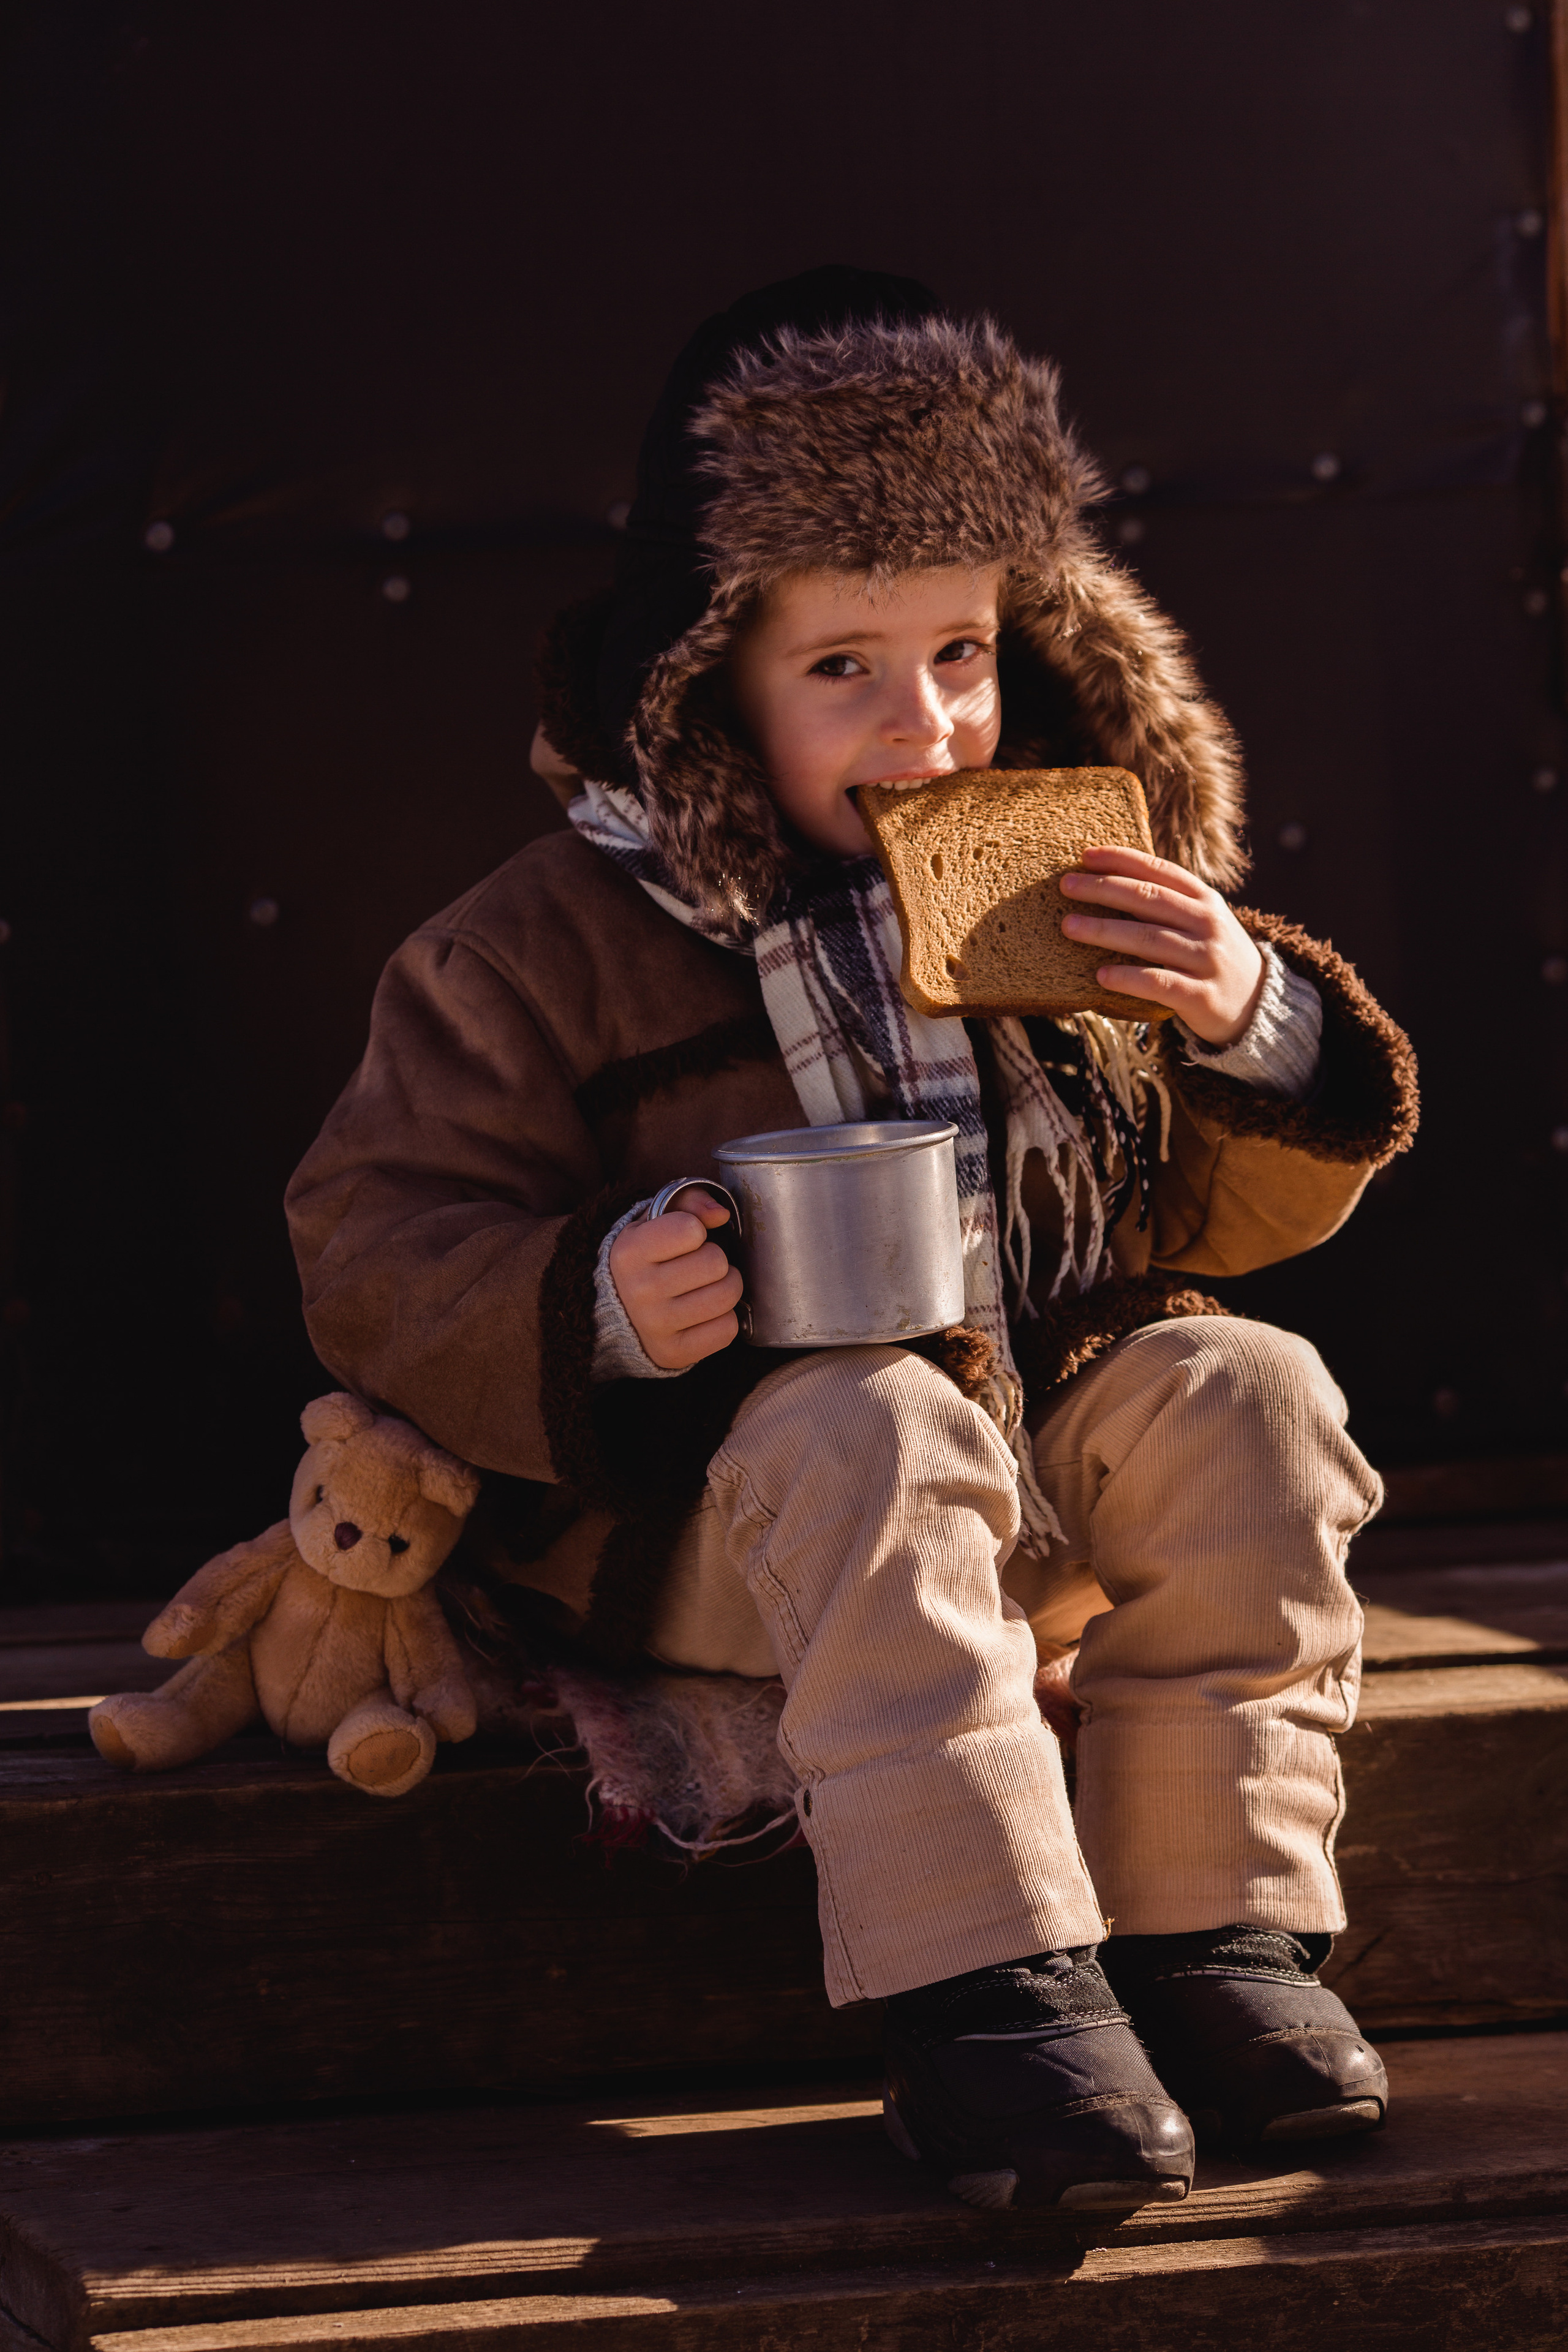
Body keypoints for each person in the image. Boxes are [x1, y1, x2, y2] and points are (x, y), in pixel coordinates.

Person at [286, 266, 1418, 2214]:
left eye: (967, 652)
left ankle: (1217, 1942)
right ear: (710, 673)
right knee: (867, 1424)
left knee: (1251, 1385)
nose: (930, 725)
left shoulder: (1063, 893)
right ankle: (989, 2000)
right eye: (845, 670)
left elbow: (1223, 1216)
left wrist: (1247, 1018)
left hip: (1039, 1488)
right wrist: (602, 1307)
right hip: (728, 1527)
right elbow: (375, 1237)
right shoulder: (535, 947)